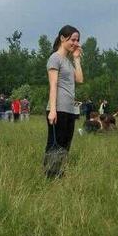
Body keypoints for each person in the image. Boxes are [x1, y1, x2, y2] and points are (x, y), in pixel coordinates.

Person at [43, 25, 84, 178]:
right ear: (62, 38)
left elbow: (79, 79)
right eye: (72, 39)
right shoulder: (55, 58)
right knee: (55, 144)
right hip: (58, 108)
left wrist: (76, 58)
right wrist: (52, 110)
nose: (75, 43)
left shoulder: (67, 61)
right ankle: (50, 176)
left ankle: (59, 173)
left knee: (66, 144)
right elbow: (53, 85)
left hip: (69, 110)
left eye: (77, 40)